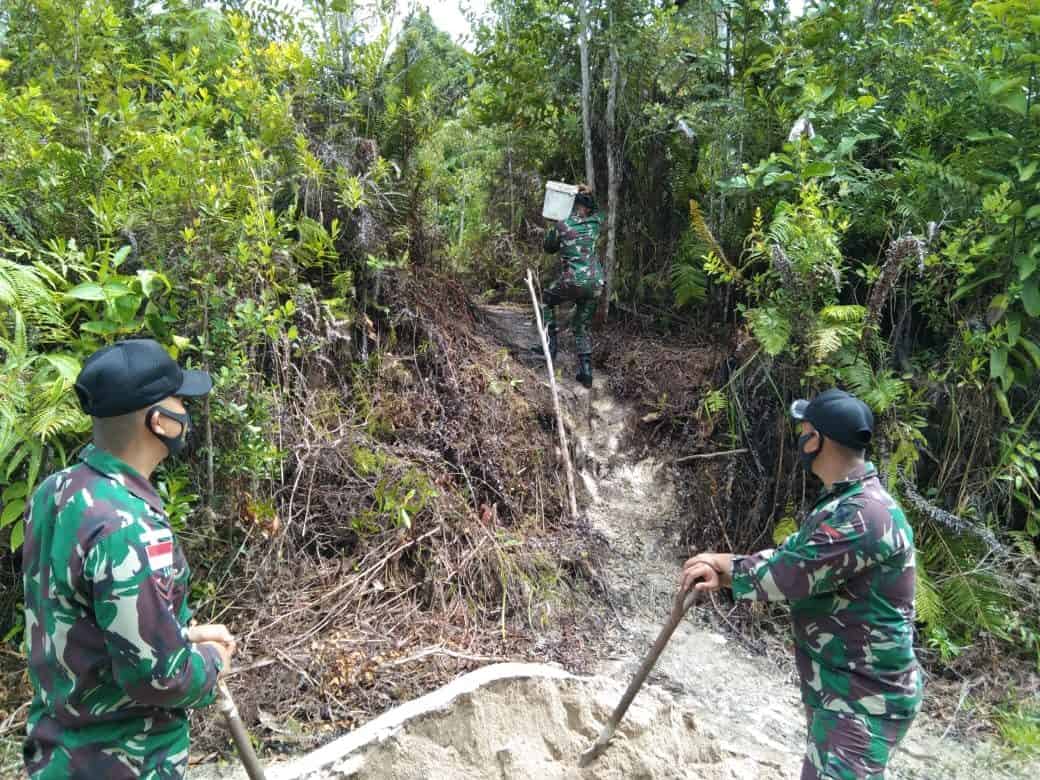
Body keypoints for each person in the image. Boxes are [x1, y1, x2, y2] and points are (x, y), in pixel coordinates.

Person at [21, 339, 237, 779]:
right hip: (125, 760)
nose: (186, 410)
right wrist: (211, 661)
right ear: (160, 421)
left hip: (58, 755)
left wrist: (182, 634)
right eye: (180, 400)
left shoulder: (58, 491)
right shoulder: (130, 527)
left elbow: (86, 620)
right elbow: (160, 678)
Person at [680, 389, 922, 779]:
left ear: (817, 440)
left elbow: (791, 575)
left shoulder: (865, 515)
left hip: (862, 700)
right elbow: (793, 558)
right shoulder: (845, 503)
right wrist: (721, 570)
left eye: (805, 430)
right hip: (845, 693)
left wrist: (721, 564)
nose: (801, 439)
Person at [538, 183, 605, 388]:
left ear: (572, 205)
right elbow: (599, 210)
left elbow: (548, 248)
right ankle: (586, 372)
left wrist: (555, 224)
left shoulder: (562, 224)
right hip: (595, 284)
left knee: (546, 300)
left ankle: (551, 346)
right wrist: (588, 191)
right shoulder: (595, 223)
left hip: (572, 281)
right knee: (580, 325)